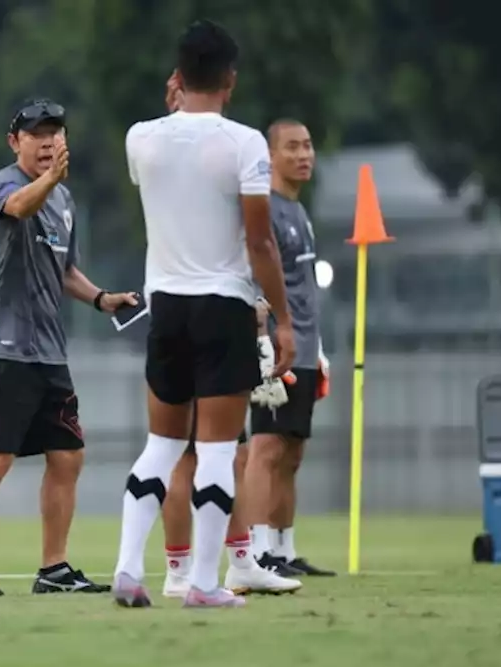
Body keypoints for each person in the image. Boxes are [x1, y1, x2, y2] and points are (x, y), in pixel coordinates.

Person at [112, 20, 295, 609]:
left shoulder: (140, 137)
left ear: (176, 77)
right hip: (222, 305)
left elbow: (164, 168)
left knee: (161, 447)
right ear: (231, 80)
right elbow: (260, 241)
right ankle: (204, 584)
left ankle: (127, 570)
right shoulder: (245, 144)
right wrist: (283, 319)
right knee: (217, 453)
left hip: (164, 305)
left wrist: (173, 112)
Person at [0, 98, 139, 598]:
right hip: (1, 348)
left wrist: (101, 299)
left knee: (68, 456)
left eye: (56, 132)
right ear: (16, 142)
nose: (48, 141)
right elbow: (16, 207)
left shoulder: (64, 201)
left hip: (49, 352)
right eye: (37, 134)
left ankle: (53, 569)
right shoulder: (6, 183)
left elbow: (65, 271)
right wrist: (50, 181)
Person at [155, 70, 302, 599]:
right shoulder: (224, 147)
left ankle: (233, 561)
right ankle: (185, 572)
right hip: (203, 313)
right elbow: (253, 243)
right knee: (195, 453)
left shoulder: (172, 149)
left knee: (219, 452)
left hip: (198, 310)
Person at [244, 118, 336, 578]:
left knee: (292, 451)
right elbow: (252, 275)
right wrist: (263, 338)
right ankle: (256, 551)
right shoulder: (267, 211)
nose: (304, 155)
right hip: (276, 350)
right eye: (293, 147)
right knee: (266, 446)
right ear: (271, 155)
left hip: (304, 349)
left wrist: (318, 351)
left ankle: (283, 547)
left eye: (308, 145)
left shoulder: (298, 211)